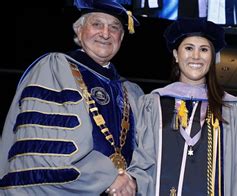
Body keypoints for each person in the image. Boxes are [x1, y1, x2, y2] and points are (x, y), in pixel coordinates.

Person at [0, 0, 144, 195]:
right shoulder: (55, 69)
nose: (105, 33)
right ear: (79, 31)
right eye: (97, 24)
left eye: (115, 27)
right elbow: (47, 150)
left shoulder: (131, 91)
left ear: (121, 37)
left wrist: (132, 178)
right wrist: (108, 177)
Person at [127, 18, 237, 195]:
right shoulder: (153, 104)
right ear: (175, 54)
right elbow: (142, 163)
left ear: (212, 58)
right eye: (188, 48)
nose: (196, 56)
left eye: (204, 50)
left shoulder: (232, 109)